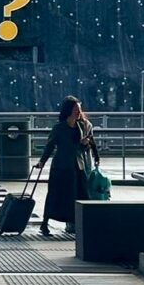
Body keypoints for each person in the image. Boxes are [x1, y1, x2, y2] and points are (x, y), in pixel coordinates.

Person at [36, 95, 100, 237]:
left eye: (79, 109)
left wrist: (93, 152)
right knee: (56, 195)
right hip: (62, 166)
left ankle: (80, 223)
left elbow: (88, 143)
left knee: (82, 194)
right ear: (69, 110)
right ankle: (45, 223)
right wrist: (42, 161)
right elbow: (50, 145)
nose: (79, 112)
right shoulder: (59, 128)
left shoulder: (81, 126)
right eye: (76, 109)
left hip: (78, 166)